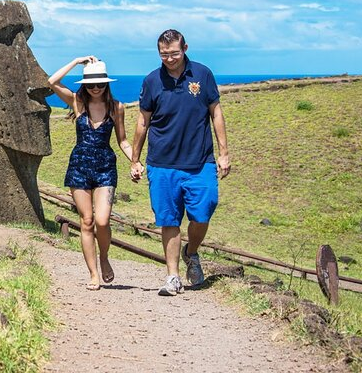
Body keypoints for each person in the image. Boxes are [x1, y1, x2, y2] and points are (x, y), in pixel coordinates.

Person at [130, 29, 230, 296]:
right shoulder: (152, 80)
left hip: (200, 161)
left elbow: (215, 113)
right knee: (169, 220)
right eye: (164, 54)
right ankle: (172, 276)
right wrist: (135, 159)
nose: (170, 59)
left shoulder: (203, 74)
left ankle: (192, 252)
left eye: (174, 53)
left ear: (185, 47)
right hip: (162, 163)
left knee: (204, 210)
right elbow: (143, 121)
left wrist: (224, 152)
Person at [49, 57, 133, 291]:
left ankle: (104, 256)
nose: (95, 88)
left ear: (107, 84)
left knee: (102, 220)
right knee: (86, 221)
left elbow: (123, 141)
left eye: (100, 84)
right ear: (84, 84)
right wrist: (76, 62)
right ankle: (93, 273)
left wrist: (135, 161)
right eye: (90, 84)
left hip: (105, 166)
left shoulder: (117, 107)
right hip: (79, 167)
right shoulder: (77, 102)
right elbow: (52, 82)